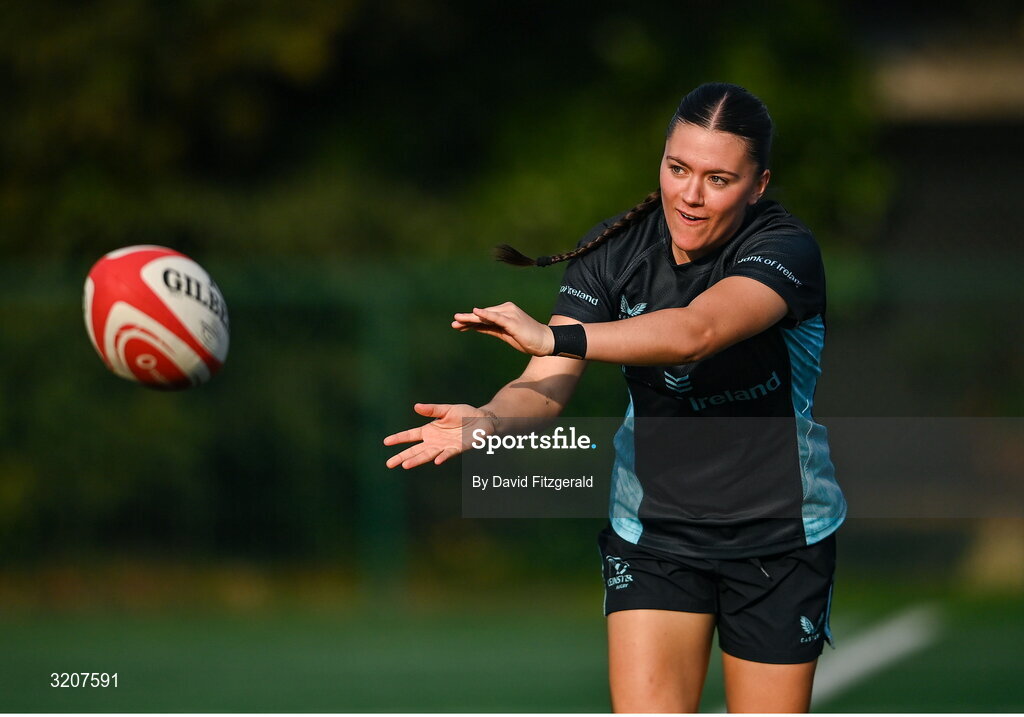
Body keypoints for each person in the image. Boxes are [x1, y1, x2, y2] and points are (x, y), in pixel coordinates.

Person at [384, 82, 846, 713]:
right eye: (678, 168)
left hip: (777, 531)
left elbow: (695, 332)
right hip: (654, 532)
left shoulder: (783, 249)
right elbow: (542, 387)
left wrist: (554, 334)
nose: (690, 193)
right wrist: (490, 418)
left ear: (758, 185)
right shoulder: (616, 251)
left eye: (718, 178)